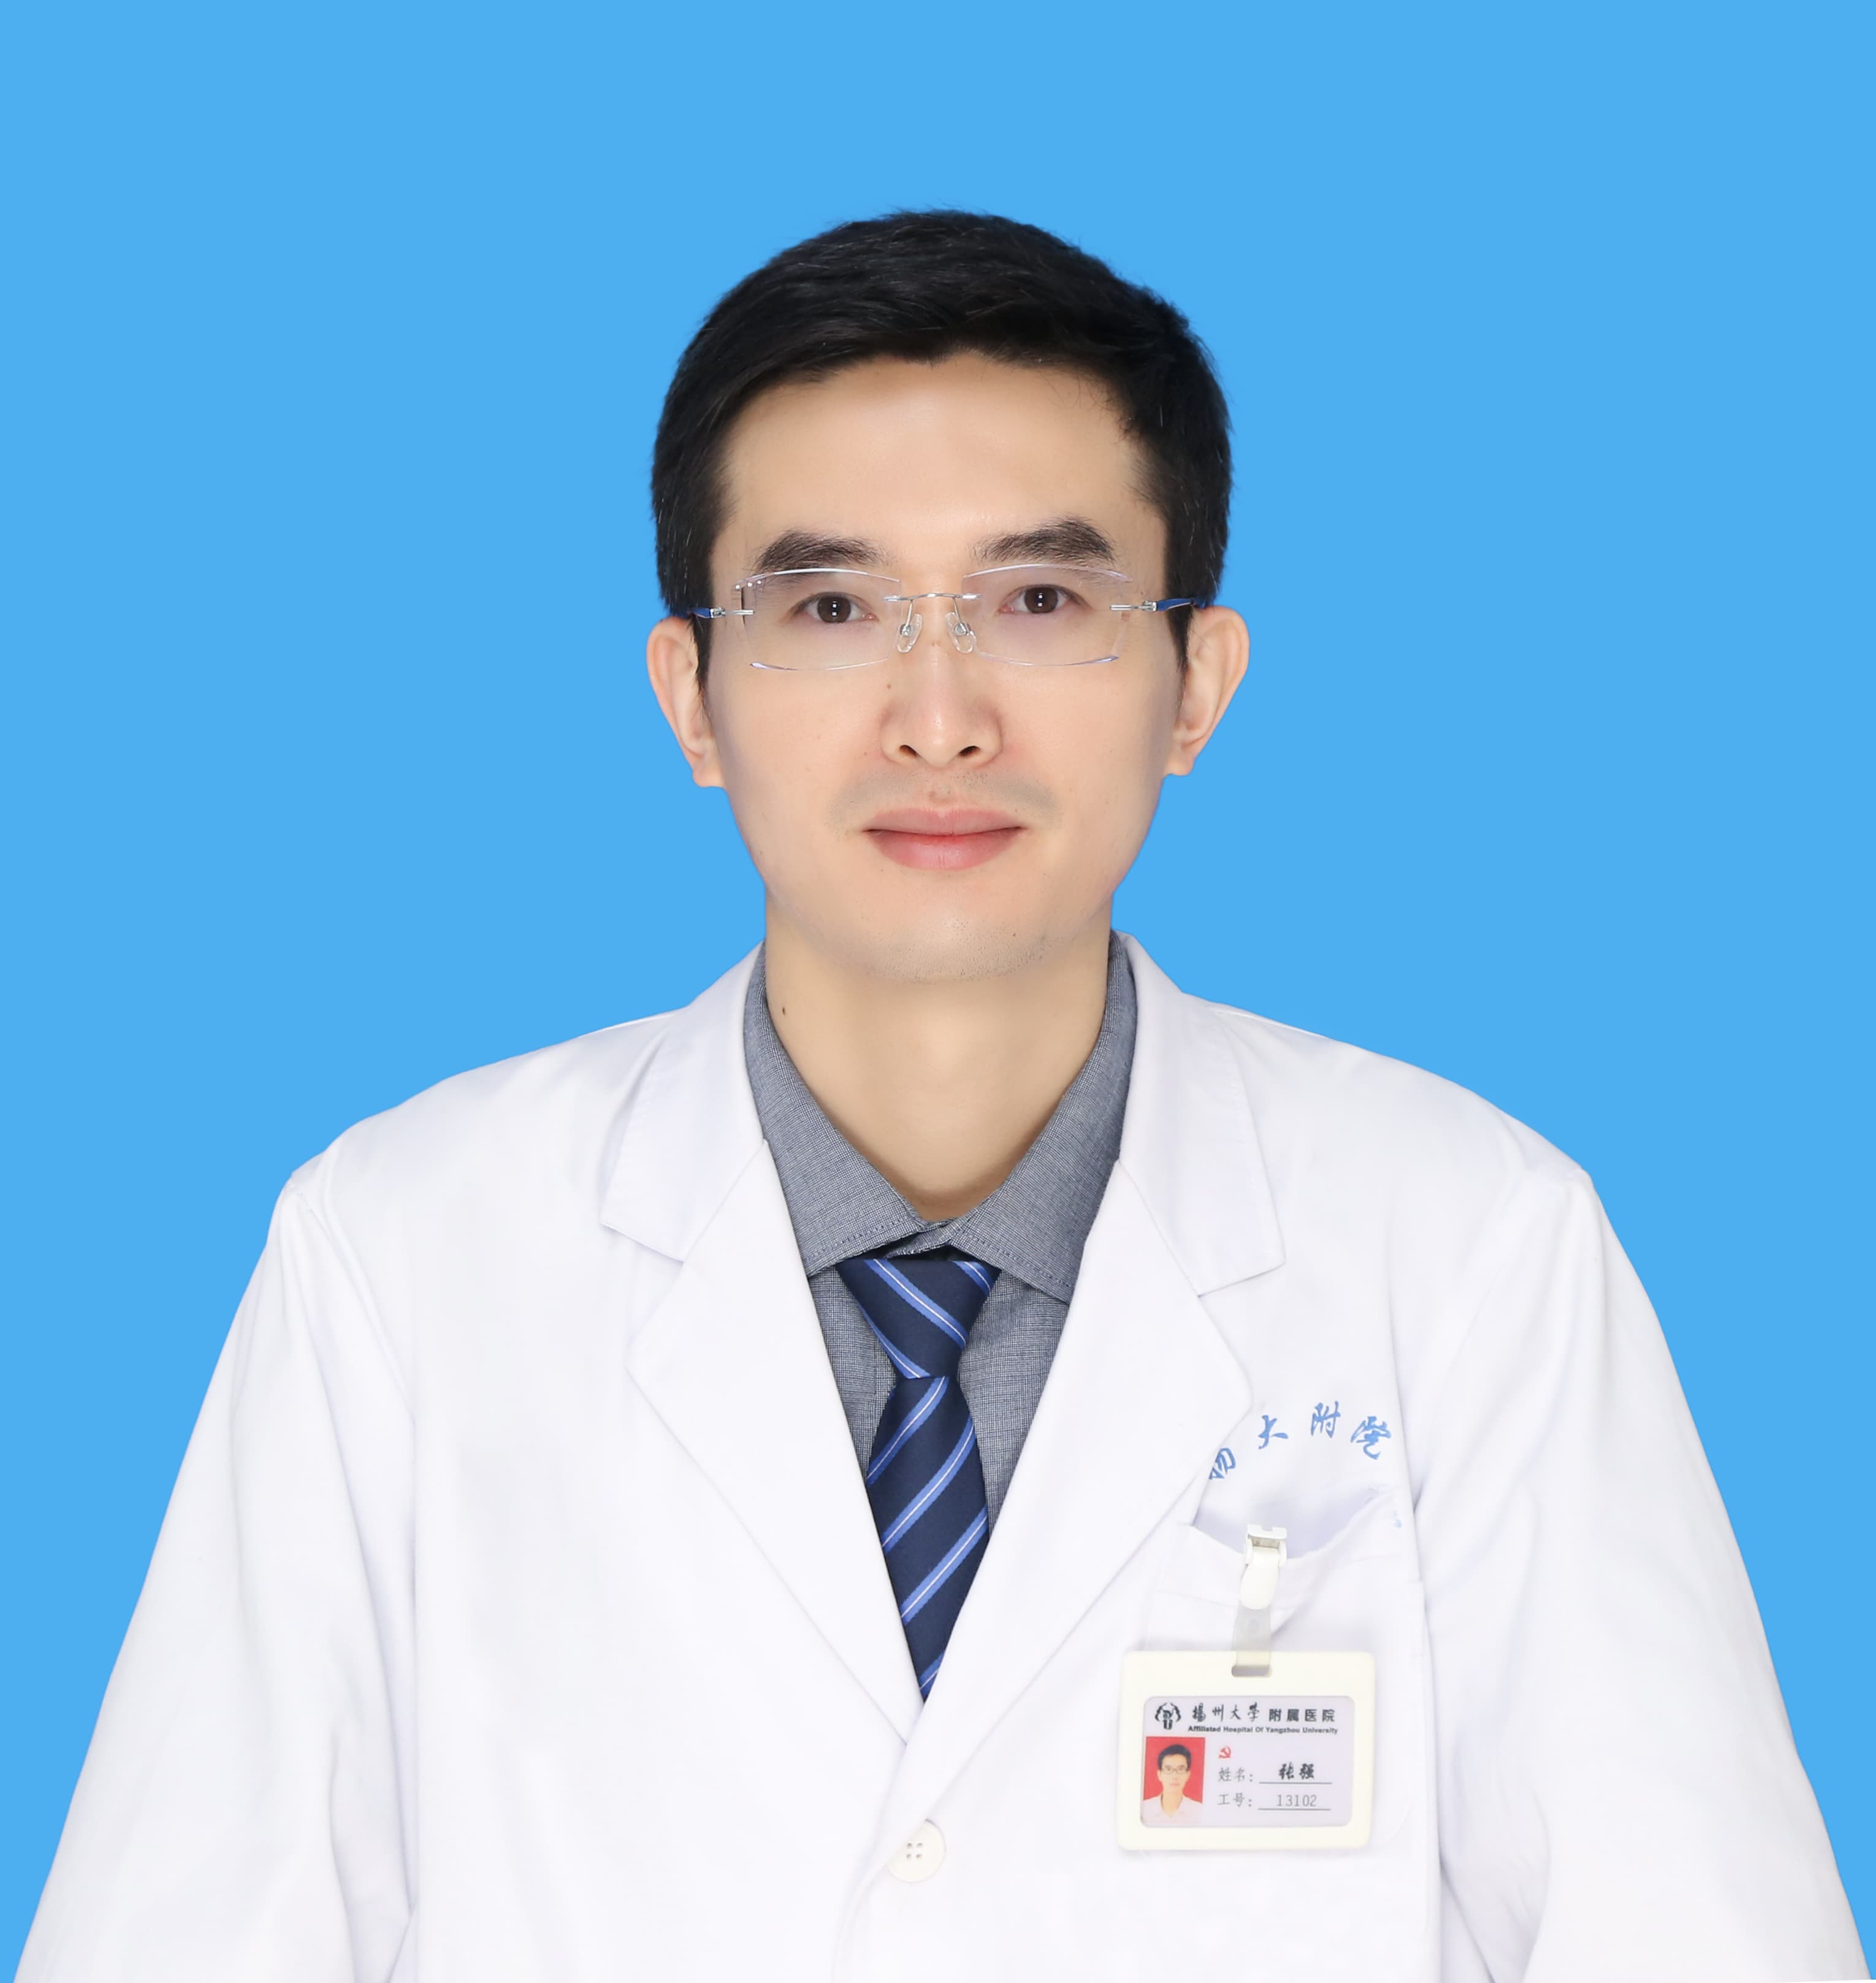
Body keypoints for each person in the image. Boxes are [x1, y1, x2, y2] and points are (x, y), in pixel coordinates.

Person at [19, 211, 1865, 1983]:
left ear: (1196, 682)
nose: (938, 717)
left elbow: (1696, 1943)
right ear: (691, 694)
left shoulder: (1471, 1247)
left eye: (1040, 598)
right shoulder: (402, 1258)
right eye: (829, 605)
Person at [1142, 1743, 1200, 1826]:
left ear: (1188, 1775)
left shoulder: (1199, 1811)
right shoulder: (1145, 1809)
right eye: (1169, 1769)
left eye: (1181, 1769)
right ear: (1159, 1775)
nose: (1174, 1777)